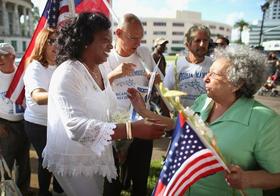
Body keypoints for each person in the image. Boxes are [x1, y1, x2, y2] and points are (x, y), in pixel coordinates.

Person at [41, 12, 165, 196]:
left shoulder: (97, 70)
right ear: (85, 41)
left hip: (97, 154)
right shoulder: (68, 73)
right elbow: (75, 127)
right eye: (104, 40)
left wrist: (138, 114)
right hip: (75, 161)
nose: (110, 45)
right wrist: (132, 130)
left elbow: (110, 111)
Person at [130, 45, 280, 195]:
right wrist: (143, 111)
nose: (205, 78)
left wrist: (249, 179)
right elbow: (180, 126)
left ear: (236, 84)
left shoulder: (264, 120)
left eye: (214, 75)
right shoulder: (203, 101)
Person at [103, 13, 158, 196]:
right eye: (133, 37)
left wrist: (155, 79)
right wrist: (114, 75)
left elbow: (157, 83)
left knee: (140, 179)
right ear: (118, 33)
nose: (137, 43)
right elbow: (95, 90)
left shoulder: (144, 53)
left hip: (142, 123)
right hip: (116, 126)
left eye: (140, 38)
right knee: (112, 181)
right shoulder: (106, 58)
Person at [23, 28, 63, 196]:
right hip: (38, 123)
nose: (56, 45)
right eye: (51, 41)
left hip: (58, 123)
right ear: (41, 43)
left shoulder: (62, 66)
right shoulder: (35, 67)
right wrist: (64, 95)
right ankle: (44, 193)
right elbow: (38, 97)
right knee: (47, 161)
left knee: (61, 160)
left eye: (59, 41)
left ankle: (59, 192)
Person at [0, 43, 31, 195]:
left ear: (12, 56)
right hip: (5, 125)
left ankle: (22, 191)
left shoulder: (23, 73)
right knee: (6, 162)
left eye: (4, 55)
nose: (0, 58)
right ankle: (7, 191)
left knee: (23, 163)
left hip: (23, 123)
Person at [164, 24, 212, 108]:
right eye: (197, 41)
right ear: (188, 44)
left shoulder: (213, 65)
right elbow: (165, 93)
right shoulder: (176, 65)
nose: (202, 44)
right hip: (180, 118)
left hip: (205, 118)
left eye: (205, 40)